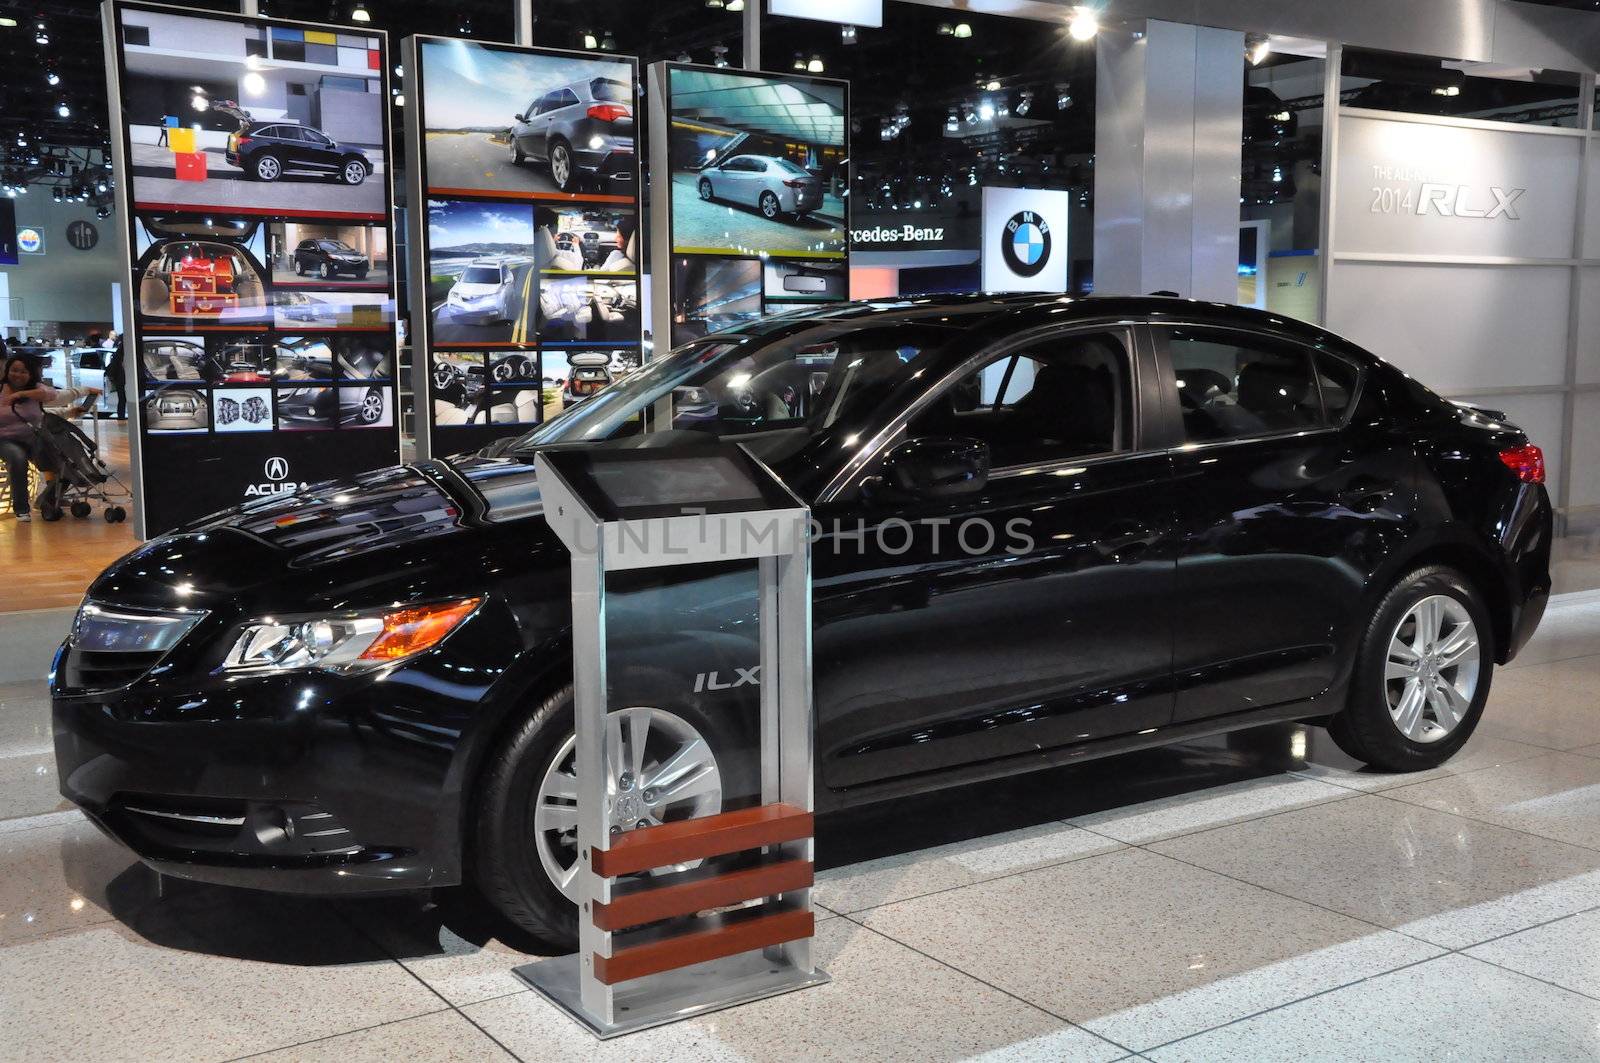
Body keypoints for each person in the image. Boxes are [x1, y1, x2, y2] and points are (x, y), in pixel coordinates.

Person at [0, 355, 58, 522]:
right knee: (18, 458)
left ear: (31, 374)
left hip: (32, 437)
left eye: (23, 371)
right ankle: (21, 509)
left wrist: (22, 394)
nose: (17, 375)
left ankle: (49, 500)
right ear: (7, 371)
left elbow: (51, 394)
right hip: (4, 439)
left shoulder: (37, 389)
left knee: (60, 458)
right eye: (14, 370)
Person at [105, 334, 126, 419]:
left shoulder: (119, 351)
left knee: (122, 399)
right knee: (123, 399)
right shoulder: (124, 351)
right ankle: (121, 417)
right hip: (123, 379)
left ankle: (121, 417)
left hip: (120, 380)